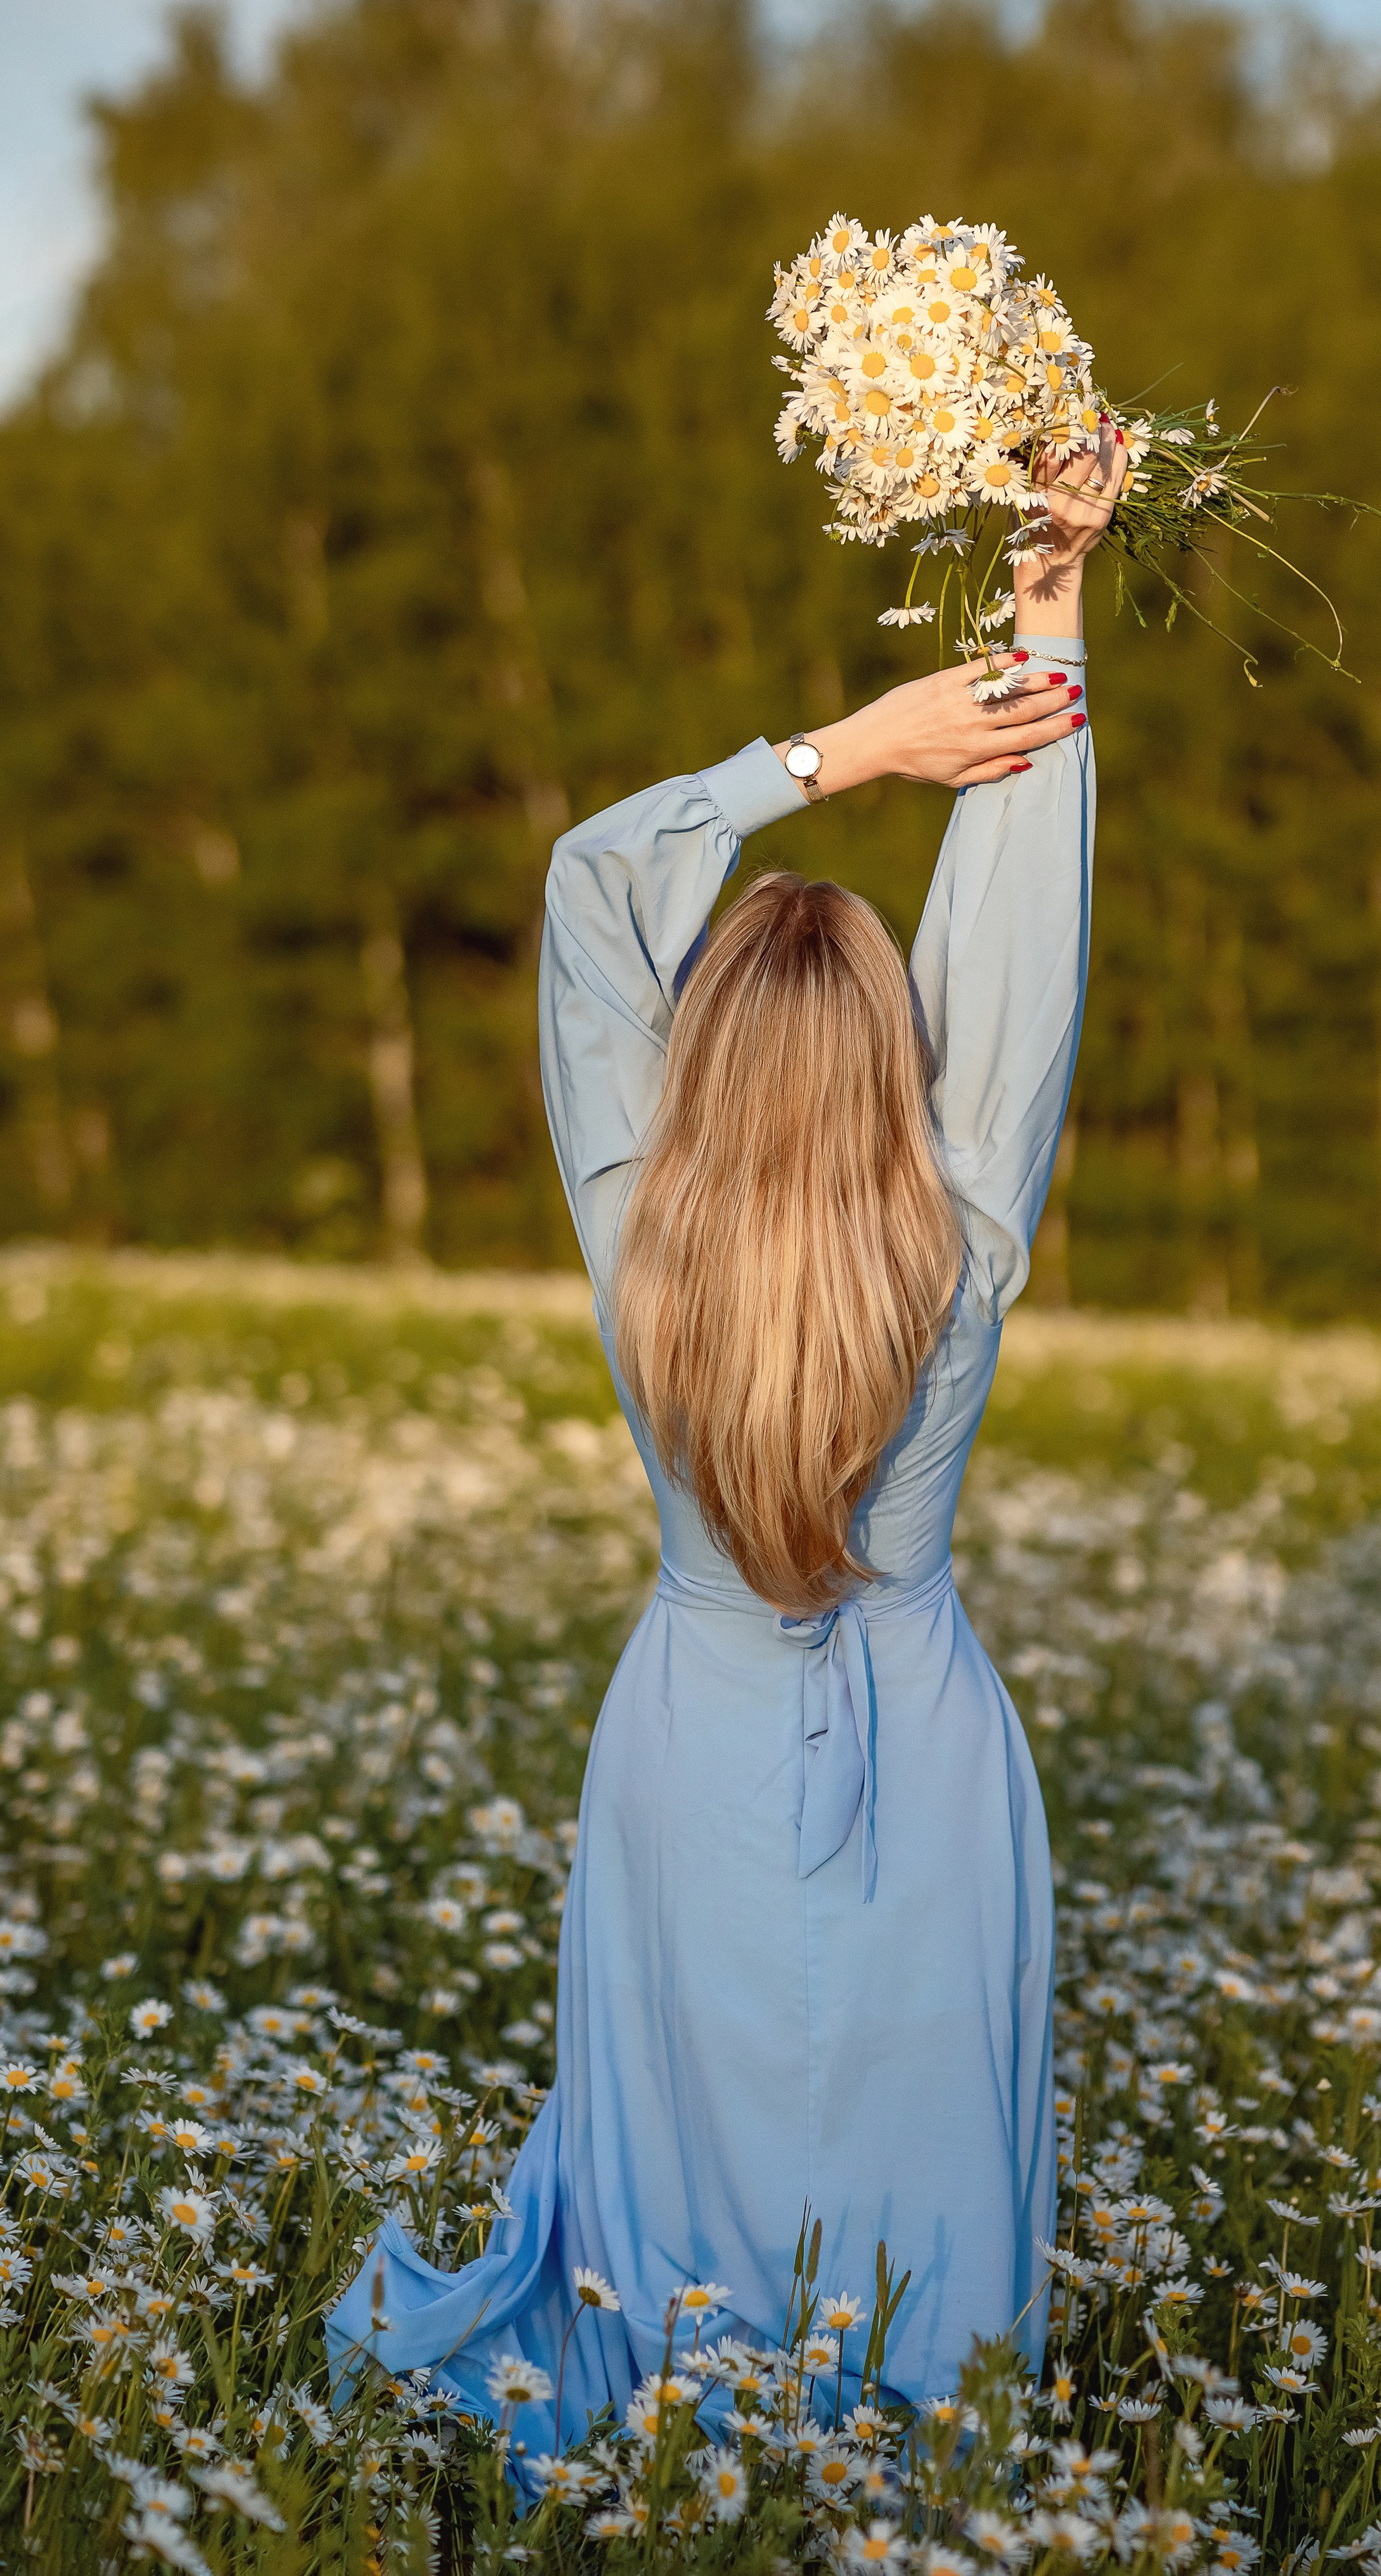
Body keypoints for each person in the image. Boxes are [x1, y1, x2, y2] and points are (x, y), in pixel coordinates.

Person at [326, 427, 1126, 2466]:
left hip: (687, 1741)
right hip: (927, 1750)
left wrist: (845, 753)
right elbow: (1022, 961)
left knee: (677, 2172)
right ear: (895, 1064)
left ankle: (682, 2468)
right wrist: (1044, 604)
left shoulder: (638, 1235)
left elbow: (592, 881)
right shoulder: (960, 1238)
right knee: (921, 2170)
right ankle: (923, 2478)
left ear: (700, 1067)